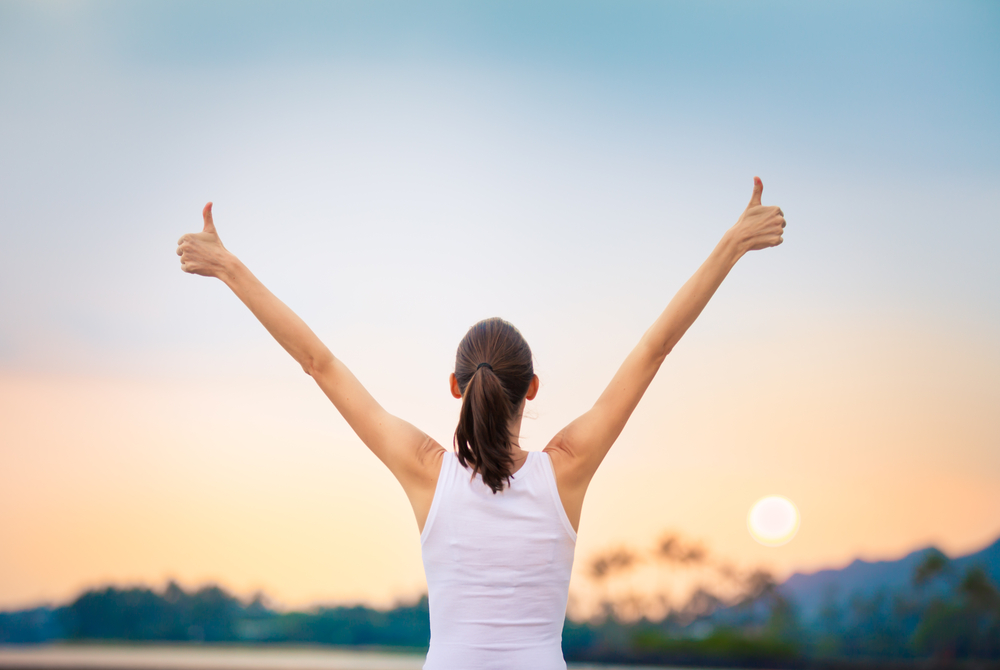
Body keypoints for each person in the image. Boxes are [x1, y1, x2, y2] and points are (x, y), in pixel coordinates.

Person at [176, 177, 785, 669]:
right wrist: (732, 245)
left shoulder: (425, 471)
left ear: (455, 387)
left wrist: (228, 268)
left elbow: (319, 362)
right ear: (532, 389)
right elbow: (655, 348)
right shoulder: (567, 470)